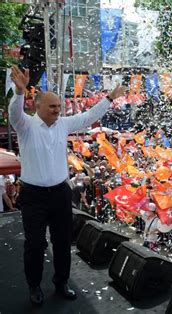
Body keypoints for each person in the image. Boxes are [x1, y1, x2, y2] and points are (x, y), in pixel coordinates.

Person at [8, 66, 127, 305]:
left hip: (60, 193)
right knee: (35, 244)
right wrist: (20, 93)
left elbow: (88, 117)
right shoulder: (25, 125)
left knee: (63, 242)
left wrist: (110, 98)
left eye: (58, 107)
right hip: (33, 196)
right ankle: (34, 286)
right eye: (52, 106)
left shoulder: (63, 124)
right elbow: (14, 114)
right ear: (37, 106)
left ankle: (61, 282)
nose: (57, 110)